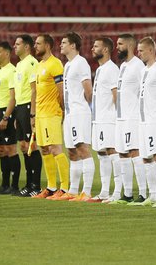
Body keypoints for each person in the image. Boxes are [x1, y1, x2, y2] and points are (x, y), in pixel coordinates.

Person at [55, 32, 94, 202]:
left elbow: (88, 90)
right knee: (72, 151)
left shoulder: (81, 63)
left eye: (64, 43)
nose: (61, 45)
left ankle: (86, 192)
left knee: (82, 149)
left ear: (73, 46)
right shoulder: (68, 65)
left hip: (79, 113)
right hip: (70, 114)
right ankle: (72, 190)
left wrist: (85, 108)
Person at [133, 37, 156, 207]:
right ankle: (153, 196)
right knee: (146, 158)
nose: (138, 53)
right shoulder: (144, 71)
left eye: (141, 50)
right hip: (143, 121)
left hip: (155, 120)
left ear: (150, 50)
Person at [31, 34, 70, 199]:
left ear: (47, 45)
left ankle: (65, 188)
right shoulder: (40, 65)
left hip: (52, 113)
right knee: (44, 149)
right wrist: (33, 114)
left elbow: (61, 90)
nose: (35, 46)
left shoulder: (56, 64)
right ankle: (51, 187)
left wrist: (63, 110)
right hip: (41, 114)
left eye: (38, 43)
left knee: (55, 149)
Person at [111, 34, 147, 205]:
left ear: (130, 46)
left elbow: (144, 92)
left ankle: (143, 194)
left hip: (133, 117)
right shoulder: (123, 66)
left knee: (134, 152)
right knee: (123, 154)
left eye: (120, 44)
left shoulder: (138, 66)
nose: (117, 47)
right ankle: (127, 193)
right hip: (121, 117)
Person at [89, 37, 121, 203]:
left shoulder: (111, 70)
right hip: (99, 119)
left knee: (112, 152)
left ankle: (117, 191)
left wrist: (116, 118)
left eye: (96, 46)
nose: (92, 48)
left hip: (109, 119)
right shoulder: (101, 69)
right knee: (102, 154)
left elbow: (116, 96)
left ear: (106, 50)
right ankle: (104, 191)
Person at [0, 42, 20, 194]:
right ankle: (4, 184)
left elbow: (13, 98)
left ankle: (14, 186)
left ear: (7, 53)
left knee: (11, 148)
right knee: (1, 150)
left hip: (8, 113)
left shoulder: (12, 71)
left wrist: (6, 117)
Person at [13, 34, 42, 197]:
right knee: (24, 146)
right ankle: (29, 183)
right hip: (20, 107)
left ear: (26, 46)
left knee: (32, 146)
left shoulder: (31, 63)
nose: (14, 46)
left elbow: (34, 90)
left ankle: (35, 185)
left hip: (28, 107)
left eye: (17, 44)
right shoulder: (19, 64)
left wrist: (32, 113)